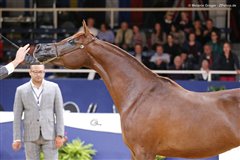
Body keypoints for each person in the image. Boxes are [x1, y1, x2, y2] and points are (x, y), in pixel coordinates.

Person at [12, 64, 64, 160]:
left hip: (50, 134)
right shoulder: (21, 90)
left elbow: (59, 112)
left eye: (40, 72)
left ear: (44, 72)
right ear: (30, 73)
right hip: (30, 135)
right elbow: (17, 116)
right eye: (35, 72)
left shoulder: (54, 87)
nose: (38, 74)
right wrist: (17, 138)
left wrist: (60, 135)